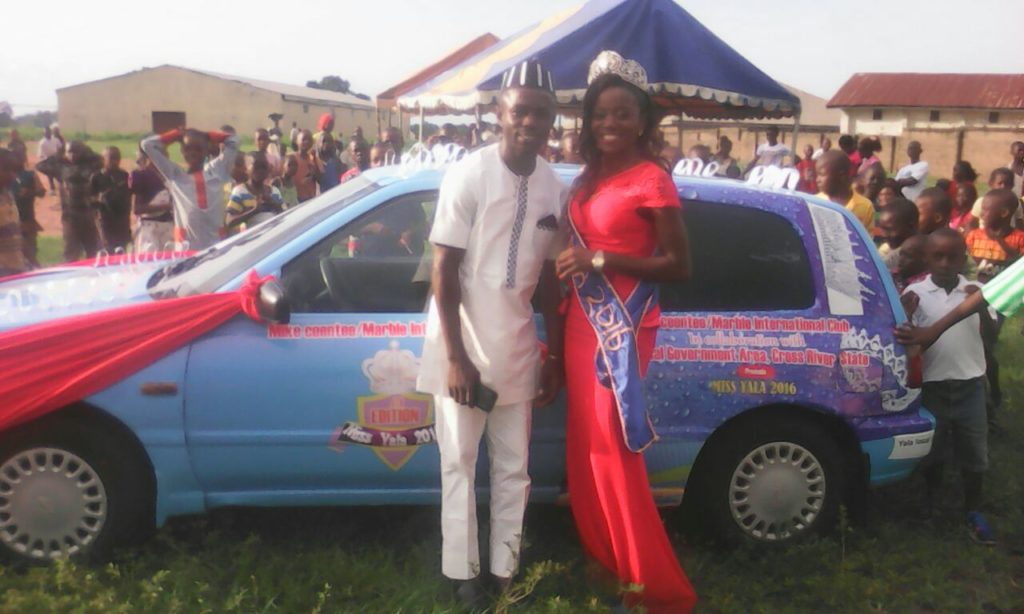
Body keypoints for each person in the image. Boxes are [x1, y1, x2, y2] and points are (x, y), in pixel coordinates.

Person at [414, 58, 565, 609]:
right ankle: (462, 573)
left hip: (518, 346)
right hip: (461, 346)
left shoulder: (553, 185)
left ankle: (505, 569)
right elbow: (443, 269)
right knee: (457, 461)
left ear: (553, 120)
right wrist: (455, 359)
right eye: (520, 110)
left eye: (541, 114)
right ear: (498, 113)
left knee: (514, 468)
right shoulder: (469, 174)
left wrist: (556, 355)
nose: (530, 122)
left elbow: (548, 277)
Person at [553, 51, 697, 614]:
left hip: (624, 324)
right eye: (600, 115)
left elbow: (679, 266)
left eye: (621, 115)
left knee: (614, 449)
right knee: (585, 447)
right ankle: (604, 558)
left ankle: (648, 583)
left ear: (642, 120)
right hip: (580, 324)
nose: (609, 125)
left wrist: (598, 259)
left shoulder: (652, 179)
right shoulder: (591, 175)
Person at [900, 228, 995, 545]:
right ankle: (929, 505)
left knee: (974, 450)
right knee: (933, 450)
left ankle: (973, 509)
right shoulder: (915, 293)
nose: (944, 263)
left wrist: (980, 305)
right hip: (933, 386)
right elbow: (905, 340)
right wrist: (908, 315)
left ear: (964, 258)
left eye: (952, 256)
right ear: (927, 259)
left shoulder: (977, 289)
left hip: (970, 385)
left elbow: (992, 335)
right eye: (937, 256)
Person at [141, 127, 240, 250]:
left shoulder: (217, 171)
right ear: (182, 151)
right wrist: (175, 134)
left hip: (216, 245)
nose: (193, 153)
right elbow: (147, 145)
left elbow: (234, 140)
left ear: (207, 150)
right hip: (185, 248)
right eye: (188, 149)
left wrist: (208, 135)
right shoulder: (175, 175)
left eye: (198, 149)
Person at [965, 189, 1024, 283]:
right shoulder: (974, 236)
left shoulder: (1020, 239)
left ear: (1004, 213)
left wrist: (999, 239)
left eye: (985, 210)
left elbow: (1020, 265)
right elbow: (967, 264)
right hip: (976, 287)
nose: (981, 214)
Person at [58, 141, 103, 261]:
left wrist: (88, 152)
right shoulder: (62, 168)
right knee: (71, 252)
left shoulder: (88, 167)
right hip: (70, 216)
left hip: (87, 213)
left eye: (76, 151)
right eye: (69, 152)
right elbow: (41, 166)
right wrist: (60, 157)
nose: (72, 155)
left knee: (93, 250)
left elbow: (100, 160)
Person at [815, 150, 875, 233]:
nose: (817, 180)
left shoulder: (865, 206)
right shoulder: (815, 203)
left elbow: (867, 240)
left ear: (842, 176)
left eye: (821, 174)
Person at [226, 152, 284, 232]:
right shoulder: (240, 192)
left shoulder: (275, 192)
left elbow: (284, 215)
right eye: (256, 167)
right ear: (246, 169)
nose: (260, 171)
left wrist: (272, 203)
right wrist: (254, 211)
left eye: (263, 167)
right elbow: (229, 222)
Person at [90, 146, 132, 252]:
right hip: (105, 219)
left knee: (122, 248)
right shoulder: (96, 177)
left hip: (122, 219)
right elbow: (90, 198)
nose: (115, 161)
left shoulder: (124, 175)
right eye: (111, 158)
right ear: (103, 159)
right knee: (108, 248)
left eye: (117, 158)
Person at [131, 149, 172, 253]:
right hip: (149, 228)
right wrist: (167, 207)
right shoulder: (141, 175)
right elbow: (137, 209)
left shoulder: (168, 175)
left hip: (167, 226)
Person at [11, 148, 45, 267]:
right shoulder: (6, 176)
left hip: (27, 220)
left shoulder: (30, 175)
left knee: (30, 254)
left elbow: (42, 192)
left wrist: (29, 192)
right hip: (11, 221)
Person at [0, 148, 28, 277]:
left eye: (14, 170)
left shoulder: (8, 194)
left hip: (16, 270)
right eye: (6, 170)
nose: (12, 175)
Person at [877, 198, 919, 270]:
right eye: (882, 229)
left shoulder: (910, 257)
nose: (883, 235)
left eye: (889, 229)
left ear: (911, 226)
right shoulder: (888, 249)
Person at [285, 130, 319, 203]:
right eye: (304, 139)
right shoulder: (291, 158)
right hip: (295, 199)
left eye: (309, 140)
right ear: (297, 141)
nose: (307, 142)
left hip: (310, 197)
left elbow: (319, 177)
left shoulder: (312, 158)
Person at [35, 125, 63, 194]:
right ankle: (53, 189)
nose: (47, 133)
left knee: (58, 172)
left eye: (48, 132)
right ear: (43, 134)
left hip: (56, 158)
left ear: (50, 132)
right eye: (45, 132)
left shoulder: (55, 139)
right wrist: (46, 157)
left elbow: (60, 147)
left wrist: (59, 155)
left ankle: (61, 186)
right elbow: (40, 154)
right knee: (47, 171)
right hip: (48, 159)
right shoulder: (42, 142)